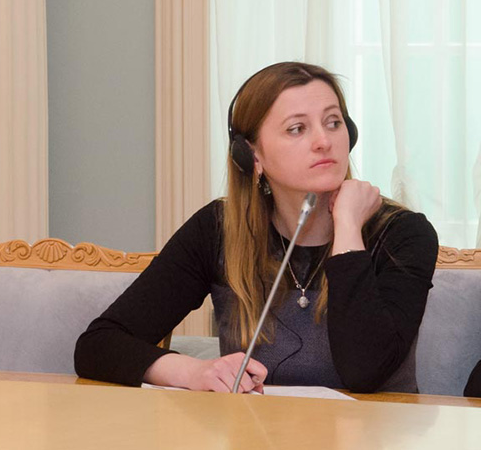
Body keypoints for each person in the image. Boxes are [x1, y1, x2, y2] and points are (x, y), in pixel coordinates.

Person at [74, 62, 438, 393]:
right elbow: (99, 344)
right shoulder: (218, 230)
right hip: (257, 433)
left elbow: (365, 372)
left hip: (375, 434)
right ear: (252, 155)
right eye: (297, 129)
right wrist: (193, 371)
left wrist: (347, 227)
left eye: (333, 122)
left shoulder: (403, 233)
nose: (324, 141)